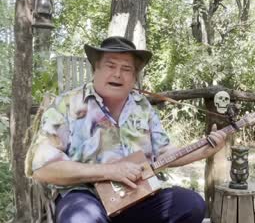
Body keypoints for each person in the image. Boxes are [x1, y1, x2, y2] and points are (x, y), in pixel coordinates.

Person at [26, 36, 227, 223]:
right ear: (95, 69)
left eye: (126, 69)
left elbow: (164, 153)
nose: (117, 74)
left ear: (134, 77)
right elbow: (42, 168)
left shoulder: (142, 107)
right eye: (110, 65)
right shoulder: (67, 104)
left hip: (138, 194)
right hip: (86, 197)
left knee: (190, 204)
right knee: (81, 219)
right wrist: (109, 171)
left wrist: (202, 151)